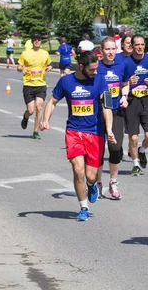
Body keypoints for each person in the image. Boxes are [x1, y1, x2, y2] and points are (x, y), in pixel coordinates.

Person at [39, 51, 116, 221]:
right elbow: (52, 102)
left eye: (97, 69)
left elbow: (107, 105)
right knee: (78, 169)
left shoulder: (101, 80)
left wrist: (109, 129)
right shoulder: (66, 81)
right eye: (92, 69)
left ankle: (91, 185)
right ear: (81, 67)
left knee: (90, 175)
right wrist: (45, 120)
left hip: (95, 133)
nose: (95, 72)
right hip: (73, 131)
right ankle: (83, 207)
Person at [122, 35, 148, 176]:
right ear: (132, 46)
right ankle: (135, 164)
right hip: (132, 101)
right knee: (133, 137)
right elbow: (120, 82)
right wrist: (128, 83)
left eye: (142, 44)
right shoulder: (126, 62)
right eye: (137, 45)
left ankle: (142, 150)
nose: (140, 47)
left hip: (147, 100)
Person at [96, 37, 127, 199]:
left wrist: (124, 96)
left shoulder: (122, 65)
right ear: (101, 51)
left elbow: (126, 83)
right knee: (99, 150)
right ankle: (98, 182)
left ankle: (113, 182)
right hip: (98, 114)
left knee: (116, 149)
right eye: (107, 49)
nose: (110, 52)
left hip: (116, 112)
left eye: (113, 49)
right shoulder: (96, 67)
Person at [17, 33, 52, 140]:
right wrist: (22, 69)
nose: (37, 41)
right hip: (28, 85)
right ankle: (26, 117)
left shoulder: (45, 53)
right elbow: (19, 66)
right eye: (35, 39)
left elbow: (49, 64)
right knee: (31, 110)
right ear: (32, 41)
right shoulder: (25, 54)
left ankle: (35, 131)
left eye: (39, 39)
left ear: (41, 41)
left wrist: (49, 67)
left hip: (41, 84)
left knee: (39, 107)